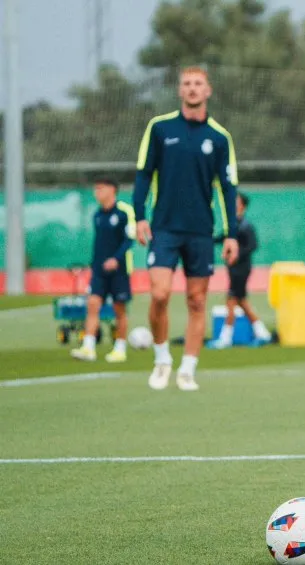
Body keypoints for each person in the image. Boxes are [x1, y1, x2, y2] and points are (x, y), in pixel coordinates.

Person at [133, 66, 240, 392]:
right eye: (187, 84)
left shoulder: (220, 138)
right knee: (160, 294)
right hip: (164, 228)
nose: (192, 89)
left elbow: (228, 187)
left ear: (208, 91)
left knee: (197, 301)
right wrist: (139, 215)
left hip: (200, 231)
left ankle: (188, 369)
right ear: (180, 91)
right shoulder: (160, 128)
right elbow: (143, 174)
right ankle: (162, 358)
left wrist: (231, 232)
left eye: (198, 84)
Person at [70, 178, 135, 363]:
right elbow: (99, 243)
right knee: (93, 304)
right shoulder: (97, 214)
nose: (96, 192)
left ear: (112, 189)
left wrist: (116, 258)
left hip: (120, 270)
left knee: (119, 309)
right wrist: (93, 264)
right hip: (99, 270)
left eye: (100, 188)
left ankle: (120, 348)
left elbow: (129, 240)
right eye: (95, 188)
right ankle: (88, 347)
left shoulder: (124, 212)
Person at [209, 192, 272, 348]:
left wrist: (237, 254)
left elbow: (253, 245)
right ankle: (263, 333)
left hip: (241, 269)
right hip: (233, 268)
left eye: (236, 201)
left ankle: (226, 337)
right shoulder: (233, 225)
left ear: (242, 206)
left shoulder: (245, 226)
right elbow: (221, 238)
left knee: (231, 300)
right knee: (241, 302)